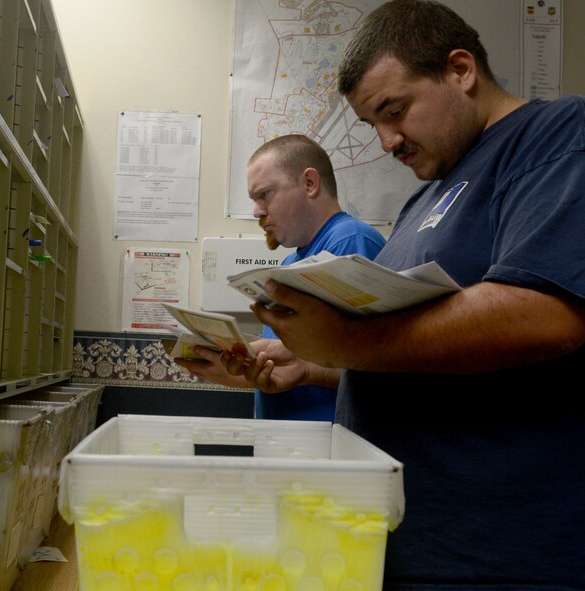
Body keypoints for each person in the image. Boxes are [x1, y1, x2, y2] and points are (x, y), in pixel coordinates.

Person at [229, 1, 585, 588]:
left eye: (395, 112)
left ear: (461, 70)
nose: (388, 141)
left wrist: (348, 341)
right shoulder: (425, 199)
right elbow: (410, 359)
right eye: (372, 124)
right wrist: (314, 362)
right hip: (403, 537)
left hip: (499, 551)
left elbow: (548, 313)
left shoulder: (553, 137)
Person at [176, 134, 384, 421]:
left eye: (264, 195)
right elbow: (290, 367)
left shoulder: (350, 241)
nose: (257, 211)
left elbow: (375, 365)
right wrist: (229, 366)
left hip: (330, 444)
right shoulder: (290, 262)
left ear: (310, 184)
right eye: (254, 199)